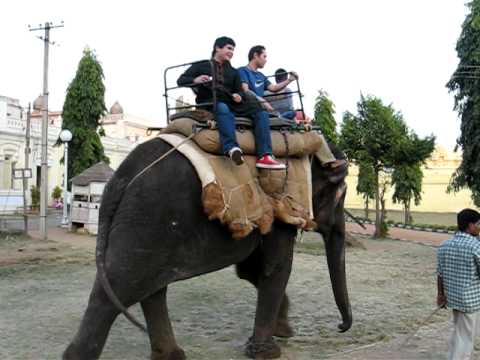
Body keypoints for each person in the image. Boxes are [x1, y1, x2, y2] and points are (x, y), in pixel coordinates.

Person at [177, 37, 285, 170]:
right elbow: (180, 80)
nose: (231, 52)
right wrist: (196, 79)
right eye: (229, 48)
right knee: (222, 107)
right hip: (210, 101)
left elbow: (239, 90)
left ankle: (265, 156)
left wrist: (238, 95)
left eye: (233, 50)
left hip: (232, 103)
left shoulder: (233, 72)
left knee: (260, 111)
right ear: (217, 48)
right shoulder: (202, 65)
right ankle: (231, 148)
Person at [239, 46, 344, 169]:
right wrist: (262, 101)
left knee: (302, 122)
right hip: (254, 110)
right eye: (264, 56)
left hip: (271, 113)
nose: (266, 60)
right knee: (290, 120)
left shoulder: (261, 76)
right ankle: (265, 155)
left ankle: (328, 160)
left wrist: (290, 80)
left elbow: (274, 88)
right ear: (255, 55)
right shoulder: (243, 71)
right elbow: (245, 91)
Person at [437, 208, 480, 359]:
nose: (479, 227)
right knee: (465, 339)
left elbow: (440, 274)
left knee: (460, 333)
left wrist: (440, 295)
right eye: (478, 224)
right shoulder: (475, 246)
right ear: (470, 225)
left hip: (454, 299)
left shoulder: (444, 245)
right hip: (470, 302)